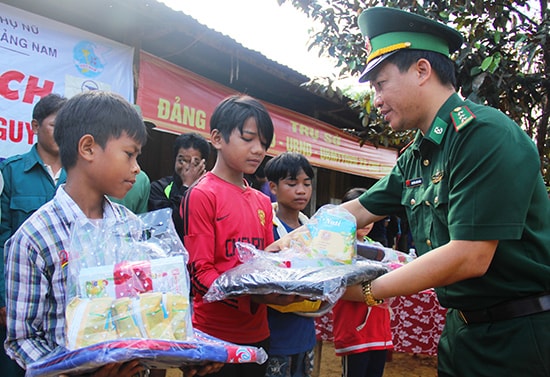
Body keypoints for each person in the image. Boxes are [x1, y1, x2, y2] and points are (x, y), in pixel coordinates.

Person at [271, 7, 550, 377]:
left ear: (421, 70)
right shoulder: (418, 154)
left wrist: (368, 292)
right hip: (462, 332)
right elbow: (359, 210)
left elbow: (470, 255)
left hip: (520, 335)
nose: (377, 100)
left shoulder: (483, 135)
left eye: (380, 84)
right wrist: (288, 244)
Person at [3, 91, 222, 377]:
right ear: (88, 148)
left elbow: (148, 312)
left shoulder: (130, 227)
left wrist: (180, 353)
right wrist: (75, 373)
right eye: (129, 154)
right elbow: (23, 339)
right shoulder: (35, 239)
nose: (137, 168)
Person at [180, 95, 302, 377]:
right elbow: (199, 276)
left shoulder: (261, 201)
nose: (258, 150)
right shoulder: (202, 195)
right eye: (248, 138)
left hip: (259, 335)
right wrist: (255, 297)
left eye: (264, 143)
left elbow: (262, 263)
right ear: (217, 138)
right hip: (213, 338)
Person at [0, 93, 67, 377]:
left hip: (63, 306)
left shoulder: (78, 177)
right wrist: (3, 297)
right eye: (55, 125)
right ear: (35, 126)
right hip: (19, 297)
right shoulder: (12, 171)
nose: (62, 133)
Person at [263, 152, 316, 377]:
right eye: (292, 183)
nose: (301, 190)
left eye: (307, 184)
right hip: (274, 333)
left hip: (305, 334)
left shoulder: (315, 230)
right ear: (273, 187)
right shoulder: (266, 227)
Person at [332, 187, 392, 377]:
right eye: (362, 216)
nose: (367, 222)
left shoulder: (378, 248)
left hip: (377, 328)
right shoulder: (336, 249)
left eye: (371, 216)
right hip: (354, 327)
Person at [149, 132, 209, 232]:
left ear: (203, 165)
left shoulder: (209, 192)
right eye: (182, 160)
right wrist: (186, 186)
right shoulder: (159, 187)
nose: (187, 167)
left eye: (195, 163)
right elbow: (166, 225)